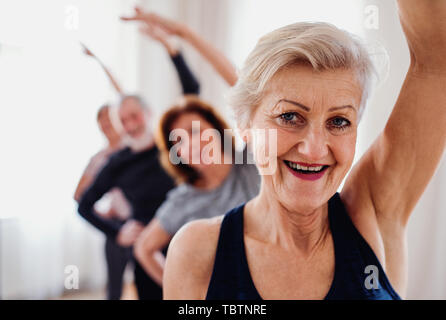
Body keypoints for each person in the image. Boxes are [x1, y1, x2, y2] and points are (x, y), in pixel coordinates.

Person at [162, 0, 446, 299]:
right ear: (245, 126)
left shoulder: (372, 213)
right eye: (289, 117)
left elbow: (437, 59)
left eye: (338, 121)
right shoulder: (198, 250)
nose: (313, 149)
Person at [121, 8, 259, 287]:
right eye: (178, 141)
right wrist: (185, 290)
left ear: (218, 132)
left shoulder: (250, 161)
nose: (190, 143)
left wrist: (185, 34)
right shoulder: (183, 200)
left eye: (195, 131)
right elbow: (144, 249)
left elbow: (247, 91)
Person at [77, 23, 200, 300]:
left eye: (135, 116)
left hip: (187, 242)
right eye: (124, 120)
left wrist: (171, 48)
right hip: (147, 249)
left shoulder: (173, 145)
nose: (131, 124)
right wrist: (118, 230)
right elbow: (83, 205)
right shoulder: (117, 163)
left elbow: (192, 90)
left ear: (149, 113)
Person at [74, 104, 132, 300]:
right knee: (114, 284)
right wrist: (102, 214)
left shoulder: (134, 150)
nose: (107, 125)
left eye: (110, 120)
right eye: (103, 123)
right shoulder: (99, 159)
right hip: (115, 226)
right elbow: (79, 195)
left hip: (141, 222)